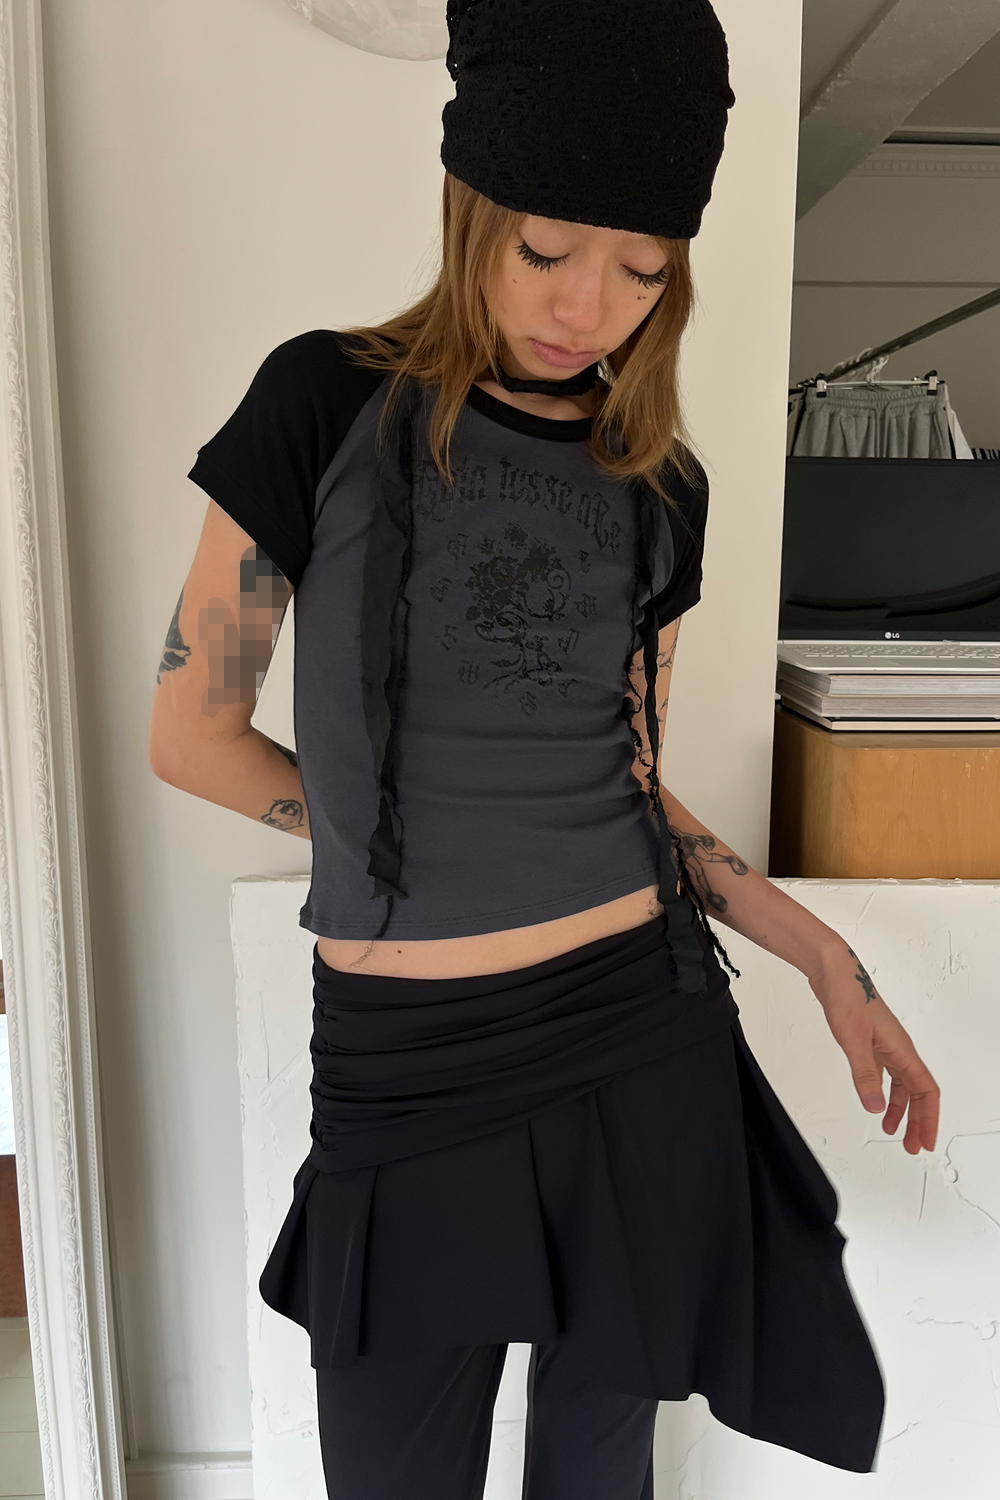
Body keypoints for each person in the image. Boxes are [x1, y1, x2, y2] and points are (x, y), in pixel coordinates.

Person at [149, 2, 940, 1495]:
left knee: (600, 1470)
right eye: (549, 250)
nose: (590, 306)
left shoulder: (661, 487)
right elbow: (192, 735)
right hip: (406, 1069)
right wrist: (376, 828)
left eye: (643, 270)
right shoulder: (321, 403)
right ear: (474, 210)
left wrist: (820, 955)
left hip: (640, 1034)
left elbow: (632, 783)